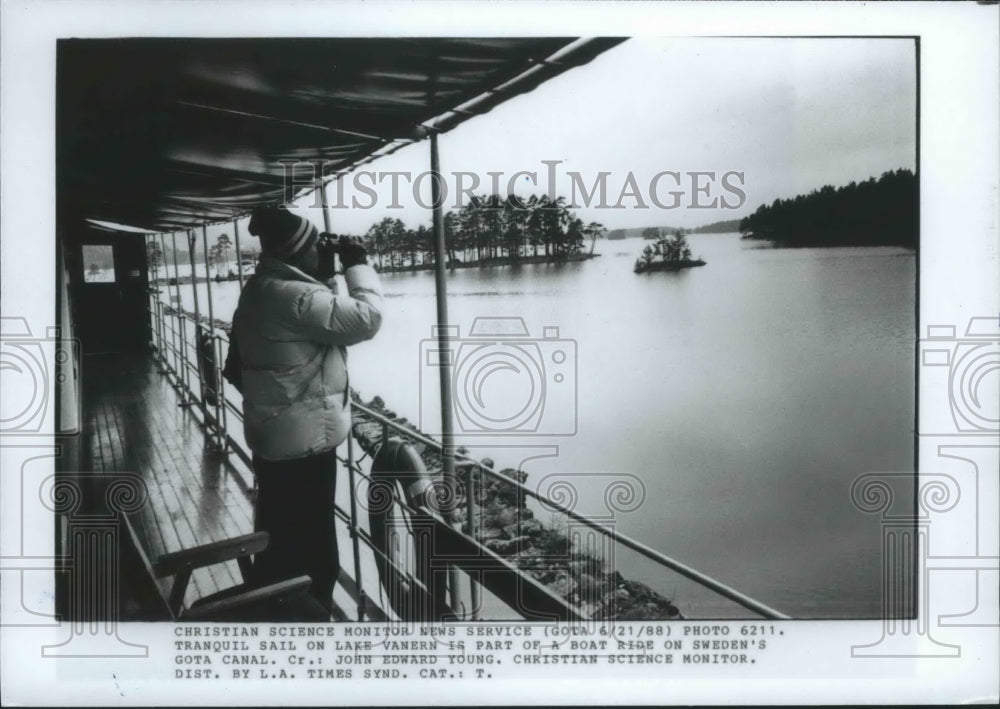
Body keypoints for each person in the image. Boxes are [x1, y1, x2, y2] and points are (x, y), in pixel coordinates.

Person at [223, 204, 382, 616]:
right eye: (316, 246)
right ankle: (308, 629)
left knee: (281, 538)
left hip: (274, 436)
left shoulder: (262, 287)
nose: (321, 251)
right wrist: (357, 266)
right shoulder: (294, 296)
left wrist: (324, 273)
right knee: (316, 556)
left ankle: (277, 609)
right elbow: (367, 318)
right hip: (304, 446)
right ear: (299, 252)